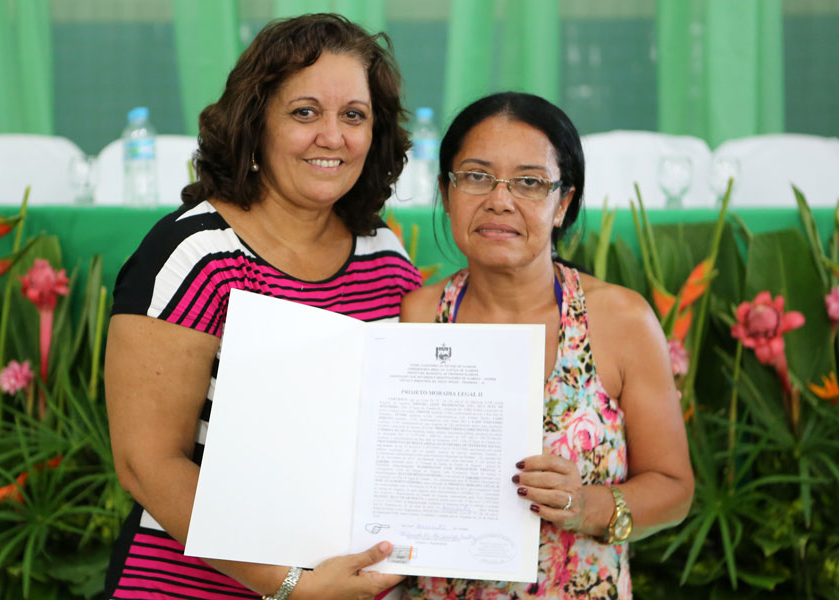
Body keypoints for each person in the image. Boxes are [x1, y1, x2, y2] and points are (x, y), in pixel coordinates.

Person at [104, 14, 421, 600]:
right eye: (305, 113)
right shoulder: (197, 253)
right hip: (187, 588)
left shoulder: (386, 255)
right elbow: (146, 464)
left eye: (354, 115)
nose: (334, 136)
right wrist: (289, 585)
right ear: (257, 124)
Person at [399, 92, 694, 599]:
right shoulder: (419, 316)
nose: (500, 199)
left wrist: (587, 506)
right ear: (446, 194)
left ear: (563, 203)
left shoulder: (620, 320)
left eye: (530, 182)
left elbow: (673, 488)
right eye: (475, 176)